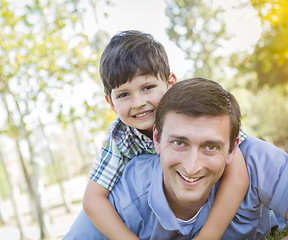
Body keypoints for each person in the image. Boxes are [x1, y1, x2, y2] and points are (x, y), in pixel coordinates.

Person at [64, 77, 288, 239]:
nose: (192, 167)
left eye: (211, 146)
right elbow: (92, 201)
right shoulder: (128, 192)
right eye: (179, 143)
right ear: (157, 139)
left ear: (232, 148)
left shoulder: (256, 160)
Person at [82, 30, 249, 240]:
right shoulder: (120, 137)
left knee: (256, 154)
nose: (138, 103)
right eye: (124, 94)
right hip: (160, 216)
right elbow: (93, 199)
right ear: (111, 102)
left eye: (148, 87)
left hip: (213, 205)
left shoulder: (196, 108)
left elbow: (238, 175)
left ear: (170, 83)